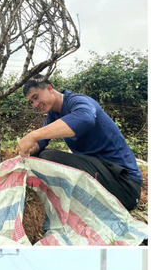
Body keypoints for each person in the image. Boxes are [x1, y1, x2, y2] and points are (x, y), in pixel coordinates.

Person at [18, 77, 142, 212]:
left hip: (124, 185)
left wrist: (33, 135)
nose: (35, 105)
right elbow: (41, 142)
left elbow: (85, 118)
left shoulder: (78, 101)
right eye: (31, 102)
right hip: (100, 172)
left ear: (49, 89)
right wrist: (30, 149)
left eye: (36, 97)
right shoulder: (54, 114)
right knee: (37, 155)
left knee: (49, 157)